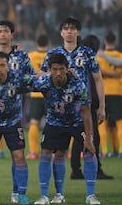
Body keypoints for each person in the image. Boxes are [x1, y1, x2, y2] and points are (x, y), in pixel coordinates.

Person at [39, 17, 105, 181]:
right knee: (59, 150)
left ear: (78, 32)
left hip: (83, 107)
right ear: (61, 32)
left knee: (90, 142)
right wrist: (59, 75)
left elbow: (98, 78)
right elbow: (41, 76)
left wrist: (102, 106)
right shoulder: (53, 54)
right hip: (59, 108)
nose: (69, 31)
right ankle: (71, 176)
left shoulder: (87, 53)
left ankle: (91, 188)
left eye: (73, 28)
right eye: (66, 28)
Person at [0, 20, 35, 204]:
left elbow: (32, 78)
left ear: (12, 34)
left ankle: (19, 193)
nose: (3, 34)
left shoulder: (21, 56)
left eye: (6, 31)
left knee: (17, 155)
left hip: (13, 115)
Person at [33, 53, 101, 205]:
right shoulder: (43, 82)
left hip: (76, 122)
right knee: (49, 153)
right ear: (49, 69)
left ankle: (91, 195)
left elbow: (86, 111)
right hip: (54, 122)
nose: (58, 73)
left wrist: (89, 139)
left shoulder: (78, 84)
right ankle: (49, 195)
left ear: (67, 69)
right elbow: (23, 84)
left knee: (89, 151)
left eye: (61, 69)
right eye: (55, 69)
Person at [81, 35, 114, 179]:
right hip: (91, 101)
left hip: (77, 102)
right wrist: (102, 106)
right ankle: (96, 169)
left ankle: (76, 169)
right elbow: (98, 80)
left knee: (78, 137)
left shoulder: (78, 59)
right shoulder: (93, 61)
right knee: (94, 136)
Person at [97, 32, 122, 159]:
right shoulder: (119, 55)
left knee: (102, 121)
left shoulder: (99, 57)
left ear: (105, 42)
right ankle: (120, 151)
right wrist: (114, 74)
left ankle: (105, 151)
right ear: (115, 42)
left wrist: (106, 74)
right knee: (119, 122)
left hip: (103, 92)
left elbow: (99, 73)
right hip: (118, 91)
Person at [26, 34, 49, 159]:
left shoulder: (31, 56)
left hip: (35, 93)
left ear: (36, 42)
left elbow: (28, 73)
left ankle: (33, 152)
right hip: (49, 94)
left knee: (33, 122)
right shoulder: (51, 56)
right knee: (54, 123)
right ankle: (57, 151)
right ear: (48, 43)